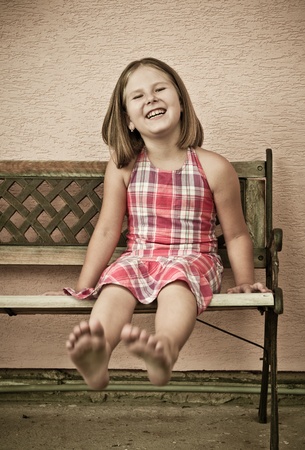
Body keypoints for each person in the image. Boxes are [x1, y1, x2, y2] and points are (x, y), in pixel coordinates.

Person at [64, 57, 269, 390]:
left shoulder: (213, 166)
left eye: (160, 89)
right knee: (116, 284)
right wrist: (83, 287)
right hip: (139, 256)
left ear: (181, 104)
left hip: (194, 257)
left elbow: (235, 234)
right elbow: (106, 230)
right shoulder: (123, 167)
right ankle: (97, 352)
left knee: (177, 284)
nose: (151, 98)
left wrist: (244, 281)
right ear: (128, 121)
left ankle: (165, 348)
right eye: (138, 96)